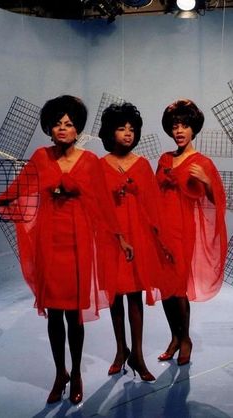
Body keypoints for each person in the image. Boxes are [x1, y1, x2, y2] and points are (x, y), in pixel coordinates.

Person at [0, 95, 133, 404]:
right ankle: (61, 373)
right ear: (49, 128)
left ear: (77, 129)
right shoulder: (40, 157)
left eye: (69, 124)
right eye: (57, 123)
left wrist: (120, 237)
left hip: (78, 243)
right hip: (49, 241)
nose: (62, 128)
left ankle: (77, 373)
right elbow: (16, 191)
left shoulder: (89, 162)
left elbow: (102, 205)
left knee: (74, 315)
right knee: (54, 315)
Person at [99, 102, 173, 382]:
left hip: (138, 237)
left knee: (135, 297)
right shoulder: (100, 165)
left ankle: (137, 355)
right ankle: (121, 350)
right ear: (110, 133)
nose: (127, 134)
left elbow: (154, 206)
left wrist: (161, 242)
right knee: (115, 296)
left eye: (132, 129)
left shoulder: (142, 165)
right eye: (121, 128)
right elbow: (98, 206)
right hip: (111, 238)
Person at [156, 99, 227, 365]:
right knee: (164, 288)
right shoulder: (165, 159)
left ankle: (185, 339)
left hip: (183, 231)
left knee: (178, 289)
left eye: (184, 125)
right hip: (161, 231)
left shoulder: (202, 162)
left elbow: (218, 201)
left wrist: (208, 183)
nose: (179, 131)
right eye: (175, 126)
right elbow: (154, 195)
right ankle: (174, 337)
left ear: (193, 129)